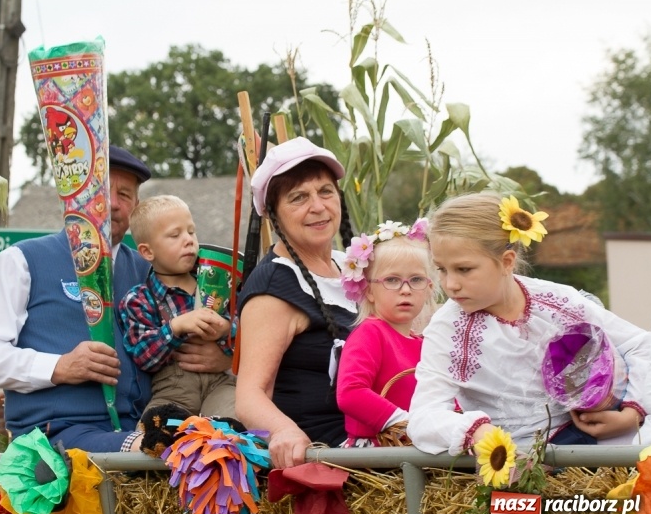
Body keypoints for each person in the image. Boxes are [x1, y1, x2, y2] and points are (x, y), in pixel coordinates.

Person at [0, 146, 231, 452]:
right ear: (73, 195)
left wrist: (224, 358)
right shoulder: (22, 260)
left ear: (136, 208)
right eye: (99, 189)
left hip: (146, 430)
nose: (113, 203)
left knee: (218, 447)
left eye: (125, 195)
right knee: (172, 451)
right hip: (56, 438)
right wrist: (59, 366)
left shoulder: (154, 270)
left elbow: (217, 327)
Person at [407, 192, 651, 455]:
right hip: (522, 463)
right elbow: (425, 414)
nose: (450, 284)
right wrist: (476, 432)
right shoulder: (448, 329)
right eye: (442, 269)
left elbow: (641, 345)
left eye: (464, 269)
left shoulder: (558, 301)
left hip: (604, 439)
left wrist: (633, 410)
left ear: (506, 262)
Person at [235, 137, 357, 470]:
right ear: (274, 215)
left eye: (325, 191)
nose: (317, 206)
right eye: (298, 197)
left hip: (373, 439)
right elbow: (249, 397)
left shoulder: (353, 265)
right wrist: (285, 431)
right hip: (329, 458)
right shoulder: (274, 286)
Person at [121, 195, 237, 419]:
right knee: (156, 431)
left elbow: (247, 333)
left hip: (220, 383)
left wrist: (226, 329)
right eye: (175, 235)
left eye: (191, 232)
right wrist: (174, 327)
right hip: (173, 390)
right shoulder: (139, 299)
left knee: (237, 420)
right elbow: (143, 356)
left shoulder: (218, 284)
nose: (189, 240)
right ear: (147, 252)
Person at [336, 218, 437, 447]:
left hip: (415, 448)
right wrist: (404, 422)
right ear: (369, 290)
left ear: (429, 288)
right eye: (392, 280)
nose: (405, 289)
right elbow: (350, 393)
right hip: (378, 453)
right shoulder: (370, 334)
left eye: (416, 280)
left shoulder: (426, 343)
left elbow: (438, 391)